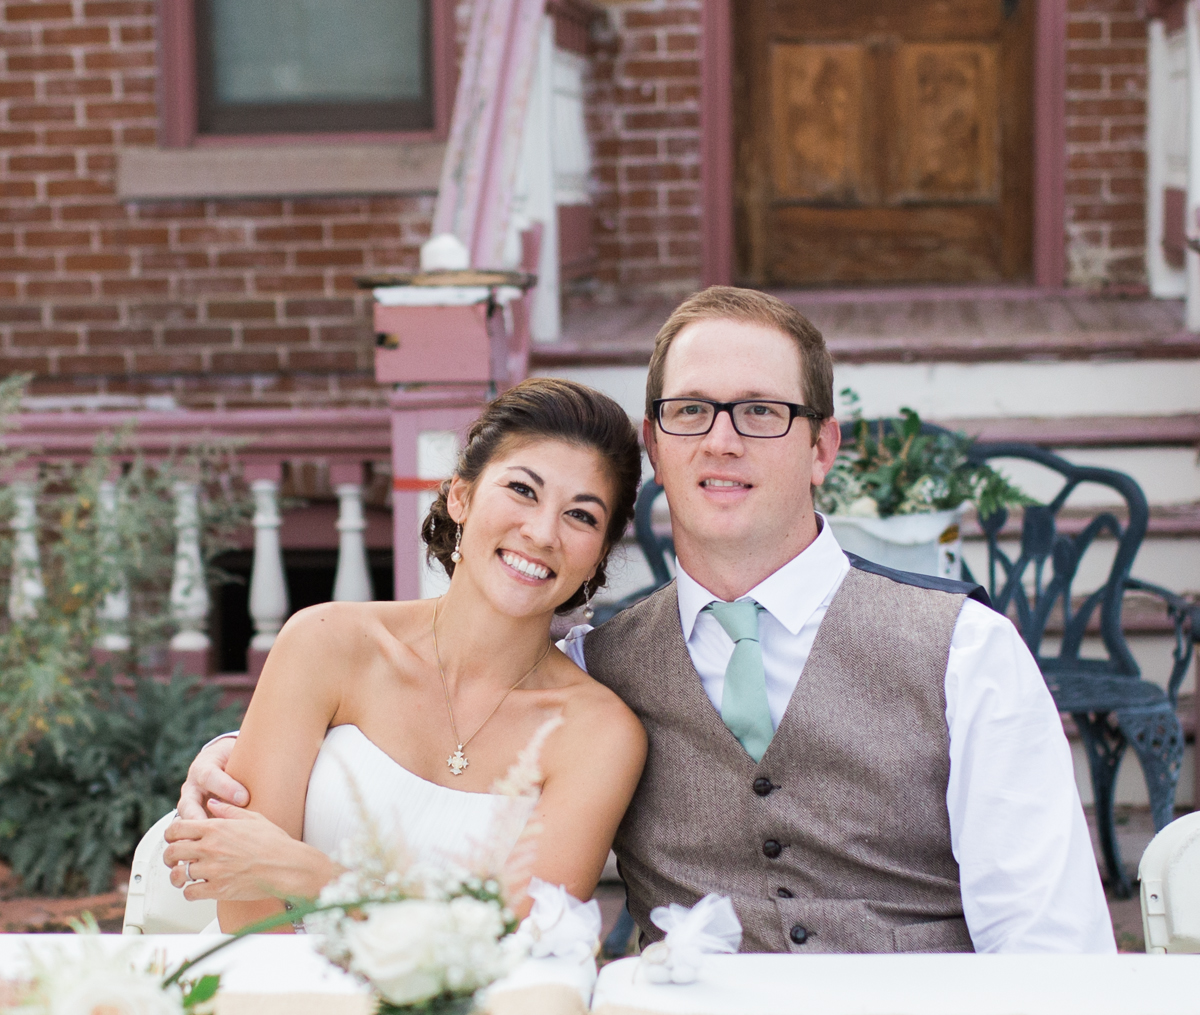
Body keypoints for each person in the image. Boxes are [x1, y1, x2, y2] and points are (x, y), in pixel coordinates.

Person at [179, 288, 1115, 955]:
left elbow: (1049, 943)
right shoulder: (603, 664)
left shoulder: (964, 653)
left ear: (823, 445)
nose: (722, 438)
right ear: (657, 446)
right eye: (692, 410)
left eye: (761, 412)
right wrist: (229, 760)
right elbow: (443, 717)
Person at [162, 379, 647, 931]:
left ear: (599, 556)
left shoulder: (599, 734)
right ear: (461, 496)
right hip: (274, 990)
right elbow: (244, 903)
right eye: (522, 490)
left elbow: (528, 939)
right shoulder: (325, 643)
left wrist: (307, 874)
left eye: (581, 516)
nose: (541, 532)